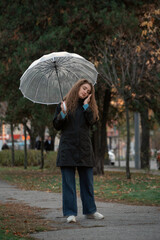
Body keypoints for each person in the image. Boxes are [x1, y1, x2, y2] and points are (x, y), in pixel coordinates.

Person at [53, 79, 104, 223]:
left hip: (84, 149)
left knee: (87, 182)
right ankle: (70, 213)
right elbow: (56, 125)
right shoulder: (63, 105)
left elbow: (92, 121)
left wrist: (87, 105)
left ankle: (90, 211)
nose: (85, 92)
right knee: (68, 183)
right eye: (84, 88)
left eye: (88, 92)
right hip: (67, 148)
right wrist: (62, 113)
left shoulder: (88, 107)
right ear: (77, 87)